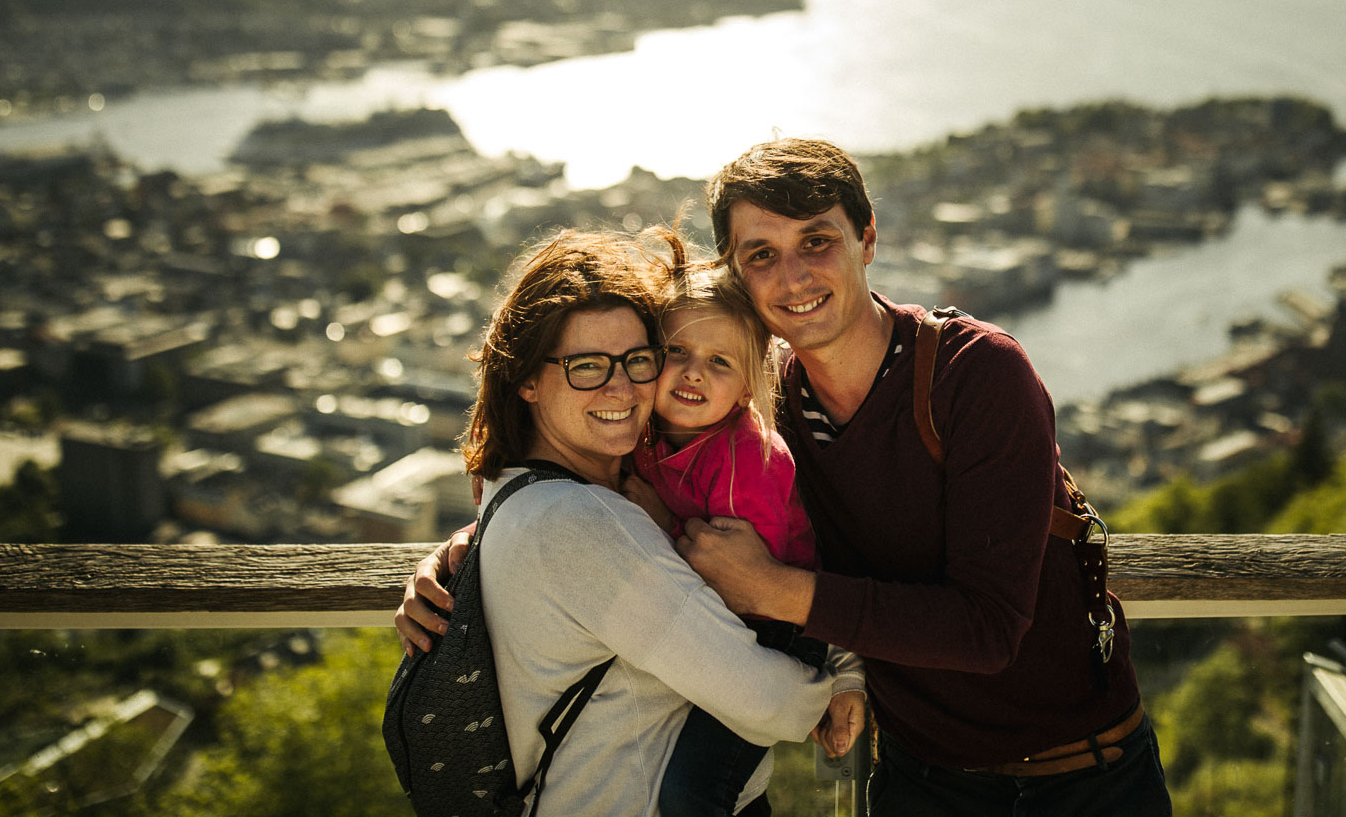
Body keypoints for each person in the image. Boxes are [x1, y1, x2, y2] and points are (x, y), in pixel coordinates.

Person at [401, 141, 1170, 815]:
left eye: (817, 241)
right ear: (736, 275)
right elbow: (611, 484)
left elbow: (989, 629)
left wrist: (772, 590)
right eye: (760, 254)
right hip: (918, 778)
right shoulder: (762, 400)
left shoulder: (973, 376)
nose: (794, 275)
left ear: (868, 238)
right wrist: (475, 547)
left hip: (1081, 777)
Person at [399, 228, 861, 817]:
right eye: (587, 365)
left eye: (637, 359)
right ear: (528, 380)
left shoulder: (519, 495)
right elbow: (771, 700)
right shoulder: (587, 525)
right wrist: (841, 684)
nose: (621, 386)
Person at [625, 257, 856, 816]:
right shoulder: (639, 432)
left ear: (751, 383)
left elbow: (743, 581)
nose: (693, 372)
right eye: (677, 351)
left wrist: (661, 521)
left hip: (775, 634)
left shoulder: (747, 458)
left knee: (692, 794)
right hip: (712, 630)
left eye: (719, 361)